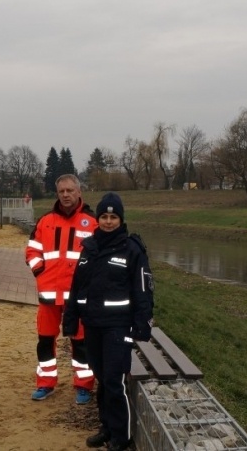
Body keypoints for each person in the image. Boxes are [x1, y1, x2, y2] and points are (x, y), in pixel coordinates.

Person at [63, 192, 154, 451]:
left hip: (118, 327)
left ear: (121, 219)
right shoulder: (89, 248)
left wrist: (143, 323)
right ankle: (106, 427)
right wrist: (70, 321)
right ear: (97, 218)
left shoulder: (132, 249)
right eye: (104, 216)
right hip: (93, 325)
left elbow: (143, 289)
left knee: (115, 382)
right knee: (102, 380)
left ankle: (120, 438)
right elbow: (76, 287)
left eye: (113, 217)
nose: (108, 221)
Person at [25, 174, 97, 404]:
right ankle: (45, 383)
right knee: (45, 340)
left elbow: (99, 257)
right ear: (57, 194)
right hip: (49, 295)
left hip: (78, 297)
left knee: (80, 342)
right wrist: (40, 272)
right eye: (61, 191)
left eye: (70, 191)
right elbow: (32, 250)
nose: (65, 195)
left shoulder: (91, 221)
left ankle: (84, 385)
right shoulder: (45, 221)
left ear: (79, 192)